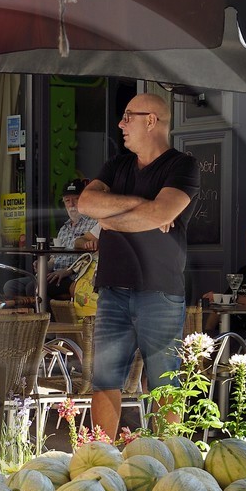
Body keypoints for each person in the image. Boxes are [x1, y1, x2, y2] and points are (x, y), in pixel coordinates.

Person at [78, 92, 200, 438]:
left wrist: (115, 214)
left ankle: (166, 461)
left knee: (164, 384)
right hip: (113, 289)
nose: (121, 124)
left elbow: (162, 213)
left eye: (128, 116)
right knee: (104, 380)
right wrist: (141, 206)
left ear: (152, 120)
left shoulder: (182, 166)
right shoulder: (116, 165)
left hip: (159, 291)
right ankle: (100, 458)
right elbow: (87, 202)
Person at [5, 178, 100, 297]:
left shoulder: (94, 224)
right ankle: (27, 314)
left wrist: (68, 270)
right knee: (11, 286)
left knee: (33, 288)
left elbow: (95, 256)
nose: (71, 204)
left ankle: (48, 316)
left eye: (76, 199)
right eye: (67, 200)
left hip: (74, 276)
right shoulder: (64, 228)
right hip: (53, 274)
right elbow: (54, 259)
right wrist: (43, 265)